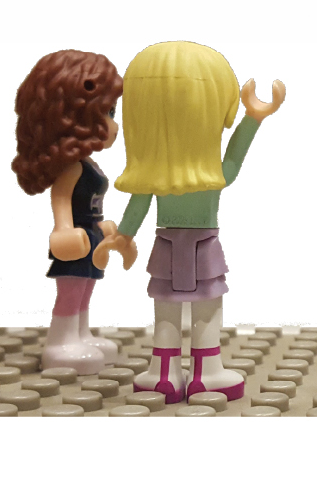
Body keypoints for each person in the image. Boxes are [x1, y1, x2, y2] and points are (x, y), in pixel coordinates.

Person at [113, 40, 285, 403]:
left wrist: (124, 237)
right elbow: (232, 163)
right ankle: (206, 373)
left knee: (166, 307)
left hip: (164, 247)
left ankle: (164, 374)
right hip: (205, 247)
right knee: (207, 306)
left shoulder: (154, 176)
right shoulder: (211, 177)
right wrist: (253, 118)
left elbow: (138, 205)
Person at [12, 49, 137, 373]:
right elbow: (61, 200)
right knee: (71, 291)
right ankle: (60, 342)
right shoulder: (72, 169)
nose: (115, 125)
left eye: (112, 112)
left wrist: (105, 228)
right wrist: (63, 229)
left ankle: (80, 334)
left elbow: (90, 203)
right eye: (107, 113)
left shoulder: (87, 164)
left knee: (85, 289)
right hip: (76, 238)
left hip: (90, 235)